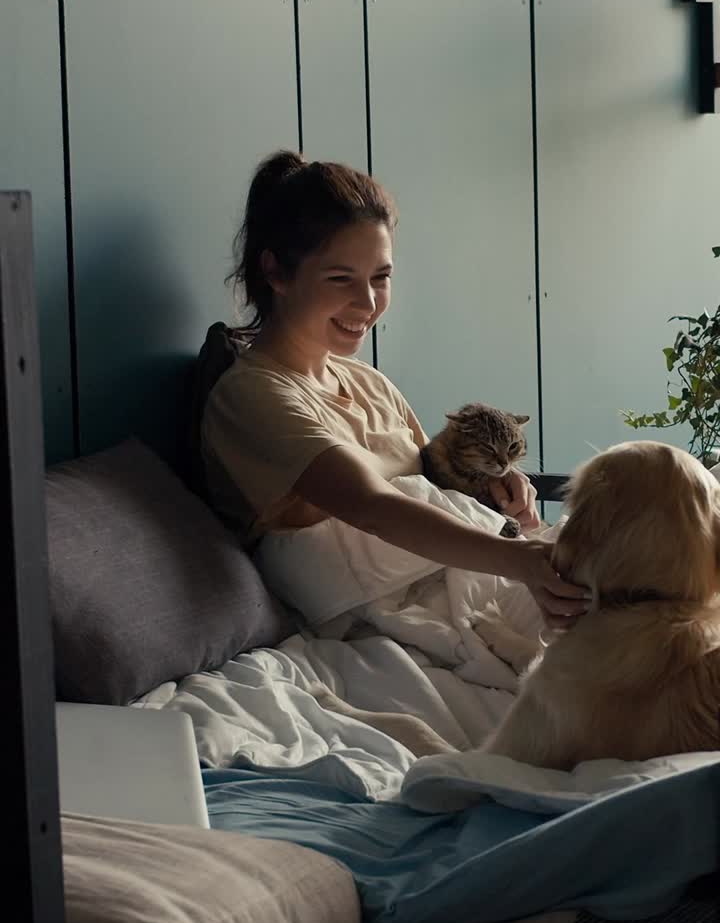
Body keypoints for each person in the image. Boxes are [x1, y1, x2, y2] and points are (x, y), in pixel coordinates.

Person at [202, 151, 590, 626]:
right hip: (377, 612)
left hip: (463, 584)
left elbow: (443, 497)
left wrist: (510, 505)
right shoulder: (251, 396)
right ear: (276, 272)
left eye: (380, 278)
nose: (367, 302)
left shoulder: (371, 385)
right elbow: (373, 508)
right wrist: (519, 559)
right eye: (340, 278)